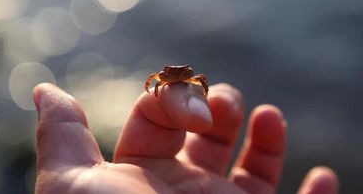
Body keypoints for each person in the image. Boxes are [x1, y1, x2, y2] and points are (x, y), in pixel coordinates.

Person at [33, 82, 338, 194]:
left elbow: (197, 80)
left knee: (223, 102)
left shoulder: (189, 77)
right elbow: (154, 81)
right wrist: (160, 89)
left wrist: (199, 90)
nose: (176, 74)